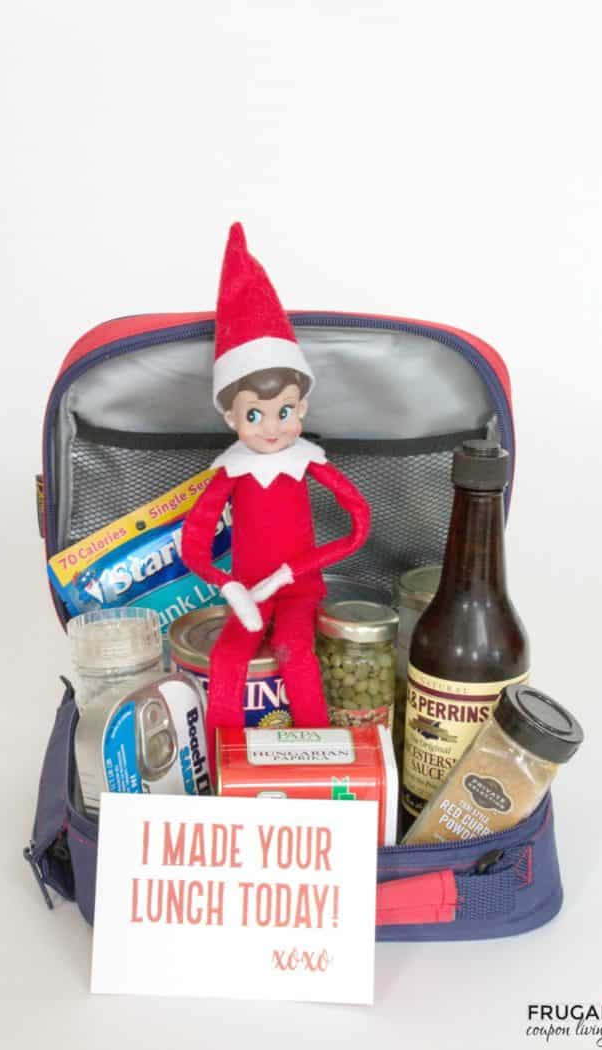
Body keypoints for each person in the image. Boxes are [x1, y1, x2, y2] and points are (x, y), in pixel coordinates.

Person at [181, 223, 370, 775]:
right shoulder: (231, 471)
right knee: (226, 659)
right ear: (230, 418)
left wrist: (295, 571)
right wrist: (229, 586)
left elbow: (359, 524)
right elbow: (195, 544)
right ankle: (222, 774)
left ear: (302, 409)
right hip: (246, 592)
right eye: (254, 415)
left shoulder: (308, 462)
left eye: (283, 411)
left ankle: (324, 767)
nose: (270, 428)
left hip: (299, 590)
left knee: (295, 653)